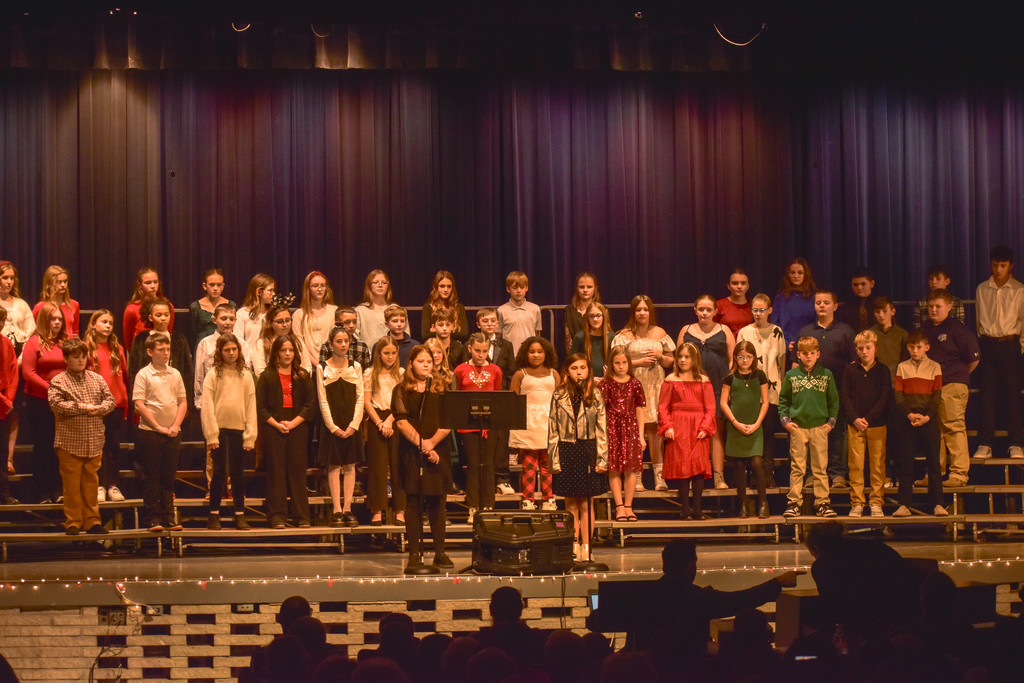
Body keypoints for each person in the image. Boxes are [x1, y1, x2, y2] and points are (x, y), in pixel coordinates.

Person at [392, 345, 453, 572]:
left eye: (429, 361)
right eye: (421, 361)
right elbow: (401, 421)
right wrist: (423, 445)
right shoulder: (401, 390)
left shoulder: (441, 389)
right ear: (411, 364)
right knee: (414, 503)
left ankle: (440, 553)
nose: (426, 364)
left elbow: (448, 421)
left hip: (438, 451)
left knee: (438, 503)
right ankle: (414, 553)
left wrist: (432, 444)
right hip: (411, 452)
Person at [47, 338, 116, 535]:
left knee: (91, 484)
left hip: (94, 440)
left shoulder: (97, 379)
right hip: (70, 441)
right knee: (71, 485)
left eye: (83, 357)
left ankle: (92, 521)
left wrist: (100, 408)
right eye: (76, 357)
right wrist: (83, 407)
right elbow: (56, 404)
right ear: (66, 359)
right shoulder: (59, 381)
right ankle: (73, 522)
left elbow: (110, 400)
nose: (80, 361)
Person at [611, 295, 675, 492]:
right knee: (633, 432)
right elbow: (615, 359)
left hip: (656, 384)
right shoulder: (623, 335)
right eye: (638, 309)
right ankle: (636, 476)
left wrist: (660, 356)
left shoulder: (660, 332)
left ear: (650, 311)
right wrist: (637, 362)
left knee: (655, 432)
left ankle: (659, 476)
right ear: (633, 312)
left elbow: (671, 361)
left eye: (645, 309)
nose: (642, 313)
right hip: (632, 384)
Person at [549, 353, 608, 562]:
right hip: (567, 450)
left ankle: (586, 546)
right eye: (574, 368)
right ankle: (573, 544)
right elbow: (553, 429)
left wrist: (602, 459)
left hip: (587, 449)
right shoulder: (559, 395)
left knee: (586, 503)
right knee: (570, 503)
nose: (579, 372)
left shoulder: (595, 394)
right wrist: (554, 460)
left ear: (588, 371)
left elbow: (602, 429)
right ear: (567, 371)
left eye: (582, 368)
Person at [921, 289, 980, 486]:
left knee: (954, 428)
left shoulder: (958, 329)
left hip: (952, 385)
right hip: (930, 387)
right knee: (933, 432)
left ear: (949, 307)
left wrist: (958, 377)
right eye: (931, 307)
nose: (934, 310)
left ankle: (959, 474)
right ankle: (935, 474)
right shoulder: (925, 329)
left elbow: (973, 359)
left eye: (938, 306)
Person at [797, 289, 855, 489]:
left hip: (838, 390)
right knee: (812, 433)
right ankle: (813, 474)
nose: (821, 306)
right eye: (818, 302)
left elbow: (853, 363)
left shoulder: (846, 331)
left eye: (826, 302)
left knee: (838, 432)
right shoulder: (806, 332)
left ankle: (838, 474)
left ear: (835, 306)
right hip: (810, 392)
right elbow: (796, 365)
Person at [256, 336, 316, 529]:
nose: (287, 354)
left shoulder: (303, 375)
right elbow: (260, 407)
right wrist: (278, 424)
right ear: (276, 353)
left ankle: (302, 516)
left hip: (297, 427)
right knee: (276, 472)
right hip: (274, 428)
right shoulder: (267, 376)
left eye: (290, 350)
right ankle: (277, 516)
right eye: (283, 350)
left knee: (297, 472)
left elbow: (309, 405)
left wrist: (293, 424)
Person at [201, 333, 257, 530]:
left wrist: (250, 436)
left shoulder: (246, 375)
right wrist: (212, 435)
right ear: (220, 352)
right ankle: (213, 514)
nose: (231, 353)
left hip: (239, 430)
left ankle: (240, 514)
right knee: (219, 472)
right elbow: (207, 406)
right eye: (227, 350)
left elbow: (251, 406)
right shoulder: (213, 374)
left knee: (237, 473)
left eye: (234, 349)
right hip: (219, 430)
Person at [678, 294, 734, 490]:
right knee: (692, 432)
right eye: (701, 309)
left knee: (716, 431)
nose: (704, 313)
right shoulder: (686, 330)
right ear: (695, 310)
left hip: (718, 385)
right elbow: (679, 359)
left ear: (715, 312)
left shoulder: (724, 330)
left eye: (708, 309)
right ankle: (694, 474)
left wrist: (728, 386)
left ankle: (719, 476)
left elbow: (731, 360)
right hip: (692, 388)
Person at [133, 333, 188, 532]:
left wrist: (175, 426)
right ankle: (152, 518)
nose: (165, 354)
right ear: (150, 352)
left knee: (168, 477)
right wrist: (158, 427)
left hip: (172, 432)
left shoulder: (175, 374)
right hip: (150, 432)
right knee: (152, 476)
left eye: (167, 350)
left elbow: (182, 402)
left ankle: (168, 517)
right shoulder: (144, 374)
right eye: (160, 350)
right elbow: (139, 404)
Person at [780, 336, 839, 519]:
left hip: (819, 428)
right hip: (798, 428)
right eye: (805, 353)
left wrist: (830, 424)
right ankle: (794, 503)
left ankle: (822, 503)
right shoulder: (791, 376)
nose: (808, 357)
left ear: (818, 354)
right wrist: (787, 422)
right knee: (797, 467)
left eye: (812, 353)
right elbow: (783, 401)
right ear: (798, 354)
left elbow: (834, 402)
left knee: (820, 468)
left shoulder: (826, 374)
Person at [973, 246, 1024, 459]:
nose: (998, 269)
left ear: (1011, 266)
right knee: (987, 395)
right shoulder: (982, 289)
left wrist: (1020, 347)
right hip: (988, 344)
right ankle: (985, 443)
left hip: (1010, 344)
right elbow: (978, 319)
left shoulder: (1020, 290)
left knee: (1013, 396)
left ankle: (1016, 443)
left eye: (1003, 265)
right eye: (995, 265)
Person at [658, 343, 716, 520]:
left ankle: (697, 509)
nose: (683, 360)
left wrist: (705, 427)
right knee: (683, 468)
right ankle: (685, 510)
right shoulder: (670, 380)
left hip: (698, 427)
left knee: (698, 468)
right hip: (679, 426)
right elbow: (663, 407)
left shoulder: (704, 381)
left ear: (694, 359)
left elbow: (710, 407)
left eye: (687, 357)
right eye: (680, 356)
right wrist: (667, 426)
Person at [735, 292, 787, 489]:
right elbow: (739, 360)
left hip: (772, 389)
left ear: (770, 310)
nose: (758, 313)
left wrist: (781, 389)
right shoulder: (744, 332)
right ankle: (752, 474)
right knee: (751, 432)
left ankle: (767, 473)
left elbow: (781, 363)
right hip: (750, 390)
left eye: (762, 310)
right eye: (755, 310)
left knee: (768, 432)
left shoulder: (777, 332)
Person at [893, 330, 946, 517]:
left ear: (926, 347)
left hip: (928, 419)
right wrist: (909, 414)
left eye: (918, 347)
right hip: (908, 419)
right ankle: (904, 504)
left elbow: (936, 396)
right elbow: (898, 395)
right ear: (907, 347)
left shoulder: (935, 367)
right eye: (912, 347)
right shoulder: (902, 367)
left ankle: (938, 504)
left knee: (933, 463)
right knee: (905, 462)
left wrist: (926, 417)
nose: (915, 351)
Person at [316, 326, 365, 528]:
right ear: (331, 344)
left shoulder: (356, 366)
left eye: (346, 341)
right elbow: (322, 400)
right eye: (339, 341)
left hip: (351, 423)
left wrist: (354, 425)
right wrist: (332, 427)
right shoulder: (322, 368)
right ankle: (336, 508)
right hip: (332, 425)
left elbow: (361, 397)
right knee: (334, 465)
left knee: (350, 465)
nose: (343, 344)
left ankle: (347, 508)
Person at [840, 330, 891, 517]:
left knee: (877, 465)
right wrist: (855, 418)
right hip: (855, 425)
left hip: (877, 424)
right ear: (856, 350)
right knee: (856, 465)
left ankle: (876, 502)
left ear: (875, 348)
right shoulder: (851, 369)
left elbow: (884, 398)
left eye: (868, 348)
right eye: (860, 348)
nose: (864, 352)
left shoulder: (883, 371)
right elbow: (845, 397)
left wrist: (868, 419)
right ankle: (857, 502)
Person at [21, 302, 67, 503]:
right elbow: (28, 373)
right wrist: (51, 388)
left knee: (61, 447)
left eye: (59, 319)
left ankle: (58, 490)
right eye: (53, 319)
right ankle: (43, 491)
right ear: (44, 320)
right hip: (39, 401)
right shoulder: (34, 342)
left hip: (63, 402)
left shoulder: (65, 342)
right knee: (43, 445)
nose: (57, 323)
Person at [454, 333, 502, 523]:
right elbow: (457, 395)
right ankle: (473, 507)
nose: (481, 354)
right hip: (469, 425)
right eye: (477, 350)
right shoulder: (460, 369)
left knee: (488, 464)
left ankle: (488, 505)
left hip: (489, 425)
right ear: (470, 349)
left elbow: (497, 393)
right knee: (474, 465)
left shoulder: (495, 370)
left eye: (484, 351)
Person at [509, 336, 559, 511]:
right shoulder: (520, 374)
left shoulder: (553, 373)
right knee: (528, 465)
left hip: (548, 423)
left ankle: (548, 499)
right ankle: (528, 499)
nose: (536, 355)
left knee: (547, 465)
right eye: (532, 352)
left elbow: (560, 399)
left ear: (546, 353)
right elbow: (513, 401)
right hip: (528, 423)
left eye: (539, 351)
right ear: (525, 354)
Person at [720, 341, 770, 518]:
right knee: (739, 465)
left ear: (754, 358)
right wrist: (735, 422)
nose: (745, 360)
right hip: (736, 427)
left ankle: (763, 503)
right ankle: (742, 504)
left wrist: (757, 424)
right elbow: (723, 403)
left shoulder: (760, 375)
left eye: (748, 357)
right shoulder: (730, 378)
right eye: (741, 357)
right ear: (735, 357)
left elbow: (765, 402)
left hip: (755, 426)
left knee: (757, 462)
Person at [83, 310, 129, 503]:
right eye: (103, 322)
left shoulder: (117, 348)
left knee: (113, 446)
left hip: (116, 403)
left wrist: (125, 403)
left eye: (110, 322)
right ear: (93, 324)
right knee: (97, 447)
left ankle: (113, 485)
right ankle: (99, 485)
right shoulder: (86, 348)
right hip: (95, 405)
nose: (108, 326)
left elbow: (124, 377)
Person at [599, 347, 646, 524]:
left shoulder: (635, 383)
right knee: (614, 468)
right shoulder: (606, 384)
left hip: (630, 429)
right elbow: (600, 410)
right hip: (611, 428)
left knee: (631, 469)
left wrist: (641, 435)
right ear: (611, 364)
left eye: (624, 362)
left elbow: (640, 409)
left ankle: (628, 506)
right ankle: (619, 506)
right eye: (617, 363)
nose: (621, 366)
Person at [363, 337, 405, 526]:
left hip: (396, 418)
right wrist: (380, 422)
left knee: (398, 466)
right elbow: (366, 401)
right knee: (377, 467)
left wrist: (390, 419)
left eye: (393, 353)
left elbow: (403, 401)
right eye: (386, 353)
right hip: (376, 419)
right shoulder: (370, 372)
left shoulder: (402, 373)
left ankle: (400, 510)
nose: (390, 356)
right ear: (379, 353)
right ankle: (377, 509)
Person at [0, 261, 34, 478]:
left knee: (13, 411)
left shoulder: (21, 304)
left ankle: (9, 458)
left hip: (17, 359)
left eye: (12, 278)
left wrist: (20, 360)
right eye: (5, 277)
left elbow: (31, 333)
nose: (9, 282)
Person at [128, 297, 194, 408]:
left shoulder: (179, 339)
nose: (163, 318)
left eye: (166, 315)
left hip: (173, 394)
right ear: (150, 317)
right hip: (149, 395)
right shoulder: (141, 339)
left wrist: (188, 402)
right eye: (158, 315)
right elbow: (134, 369)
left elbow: (187, 371)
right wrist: (135, 402)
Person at [477, 307, 516, 495]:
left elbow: (510, 371)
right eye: (485, 321)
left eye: (493, 320)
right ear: (478, 324)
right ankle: (484, 480)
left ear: (498, 323)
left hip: (500, 398)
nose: (490, 324)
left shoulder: (506, 345)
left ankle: (503, 479)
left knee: (501, 439)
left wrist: (507, 396)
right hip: (480, 397)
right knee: (482, 440)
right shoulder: (473, 343)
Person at [292, 271, 339, 371]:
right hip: (308, 366)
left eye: (322, 285)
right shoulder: (299, 314)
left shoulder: (334, 311)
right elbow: (299, 344)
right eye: (315, 286)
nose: (319, 289)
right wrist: (316, 363)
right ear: (308, 289)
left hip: (332, 365)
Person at [771, 257, 817, 355]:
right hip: (786, 347)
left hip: (809, 348)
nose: (796, 276)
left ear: (806, 275)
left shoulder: (814, 297)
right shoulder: (780, 298)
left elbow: (817, 323)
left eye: (800, 273)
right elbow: (774, 325)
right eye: (792, 273)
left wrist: (806, 344)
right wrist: (788, 343)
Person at [122, 267, 174, 349]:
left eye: (155, 282)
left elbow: (168, 331)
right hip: (141, 354)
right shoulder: (132, 309)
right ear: (140, 285)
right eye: (148, 283)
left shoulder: (168, 306)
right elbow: (128, 341)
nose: (153, 286)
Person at [252, 298, 305, 378]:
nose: (285, 325)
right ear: (270, 323)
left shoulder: (298, 341)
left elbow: (307, 367)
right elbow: (260, 372)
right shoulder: (261, 343)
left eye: (287, 320)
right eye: (280, 321)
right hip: (272, 387)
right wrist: (281, 381)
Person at [497, 271, 543, 356]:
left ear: (526, 288)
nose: (519, 291)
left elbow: (537, 333)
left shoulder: (535, 309)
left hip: (529, 355)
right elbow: (499, 336)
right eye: (514, 288)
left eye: (522, 287)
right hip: (509, 355)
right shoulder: (501, 310)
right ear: (508, 289)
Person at [188, 268, 234, 347]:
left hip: (225, 345)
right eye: (212, 285)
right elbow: (192, 333)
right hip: (202, 347)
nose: (215, 288)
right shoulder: (196, 307)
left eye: (219, 285)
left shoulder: (231, 305)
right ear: (204, 286)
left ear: (223, 286)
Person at [233, 273, 277, 355]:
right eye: (270, 290)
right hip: (249, 359)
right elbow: (238, 340)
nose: (273, 294)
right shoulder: (242, 314)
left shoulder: (273, 313)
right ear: (258, 292)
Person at [421, 270, 469, 343]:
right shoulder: (428, 308)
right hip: (434, 349)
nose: (446, 290)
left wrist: (436, 332)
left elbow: (464, 334)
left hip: (456, 349)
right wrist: (453, 331)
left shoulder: (459, 307)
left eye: (449, 286)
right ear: (435, 287)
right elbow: (425, 335)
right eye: (442, 286)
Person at [33, 265, 81, 337]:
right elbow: (34, 331)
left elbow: (75, 332)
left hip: (69, 346)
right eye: (59, 282)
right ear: (49, 284)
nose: (63, 285)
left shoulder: (74, 305)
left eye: (65, 281)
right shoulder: (40, 307)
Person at [0, 307, 17, 504]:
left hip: (2, 407)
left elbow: (13, 372)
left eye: (2, 321)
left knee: (2, 452)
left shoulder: (6, 343)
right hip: (1, 402)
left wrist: (9, 400)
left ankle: (3, 494)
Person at [571, 302, 615, 380]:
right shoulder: (580, 337)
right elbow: (573, 364)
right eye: (591, 316)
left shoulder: (611, 337)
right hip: (585, 381)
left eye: (598, 315)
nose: (595, 319)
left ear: (604, 317)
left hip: (608, 381)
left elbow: (616, 362)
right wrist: (590, 378)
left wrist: (608, 375)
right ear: (587, 318)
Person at [914, 264, 965, 329]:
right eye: (931, 279)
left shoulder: (956, 302)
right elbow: (917, 329)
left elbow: (960, 328)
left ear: (947, 281)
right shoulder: (921, 303)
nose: (934, 282)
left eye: (938, 279)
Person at [564, 272, 601, 355]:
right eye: (581, 287)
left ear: (595, 288)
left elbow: (606, 334)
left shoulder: (602, 309)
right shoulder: (569, 310)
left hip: (597, 353)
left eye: (589, 287)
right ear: (576, 288)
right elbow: (568, 338)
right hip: (576, 354)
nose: (585, 290)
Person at [837, 267, 883, 332]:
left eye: (863, 284)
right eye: (855, 285)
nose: (859, 288)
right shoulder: (846, 308)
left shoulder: (881, 305)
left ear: (872, 284)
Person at [355, 269, 393, 347]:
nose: (380, 285)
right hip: (367, 356)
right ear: (369, 285)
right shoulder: (360, 311)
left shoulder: (395, 309)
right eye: (375, 282)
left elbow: (405, 337)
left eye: (384, 282)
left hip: (392, 356)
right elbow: (355, 337)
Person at [373, 304, 418, 369]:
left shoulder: (414, 346)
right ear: (387, 324)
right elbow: (374, 369)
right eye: (395, 321)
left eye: (402, 321)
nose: (399, 324)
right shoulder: (378, 346)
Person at [714, 268, 753, 337]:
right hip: (725, 346)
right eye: (735, 283)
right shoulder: (719, 305)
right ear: (728, 286)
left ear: (748, 286)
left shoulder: (753, 305)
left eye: (743, 283)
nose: (739, 286)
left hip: (748, 345)